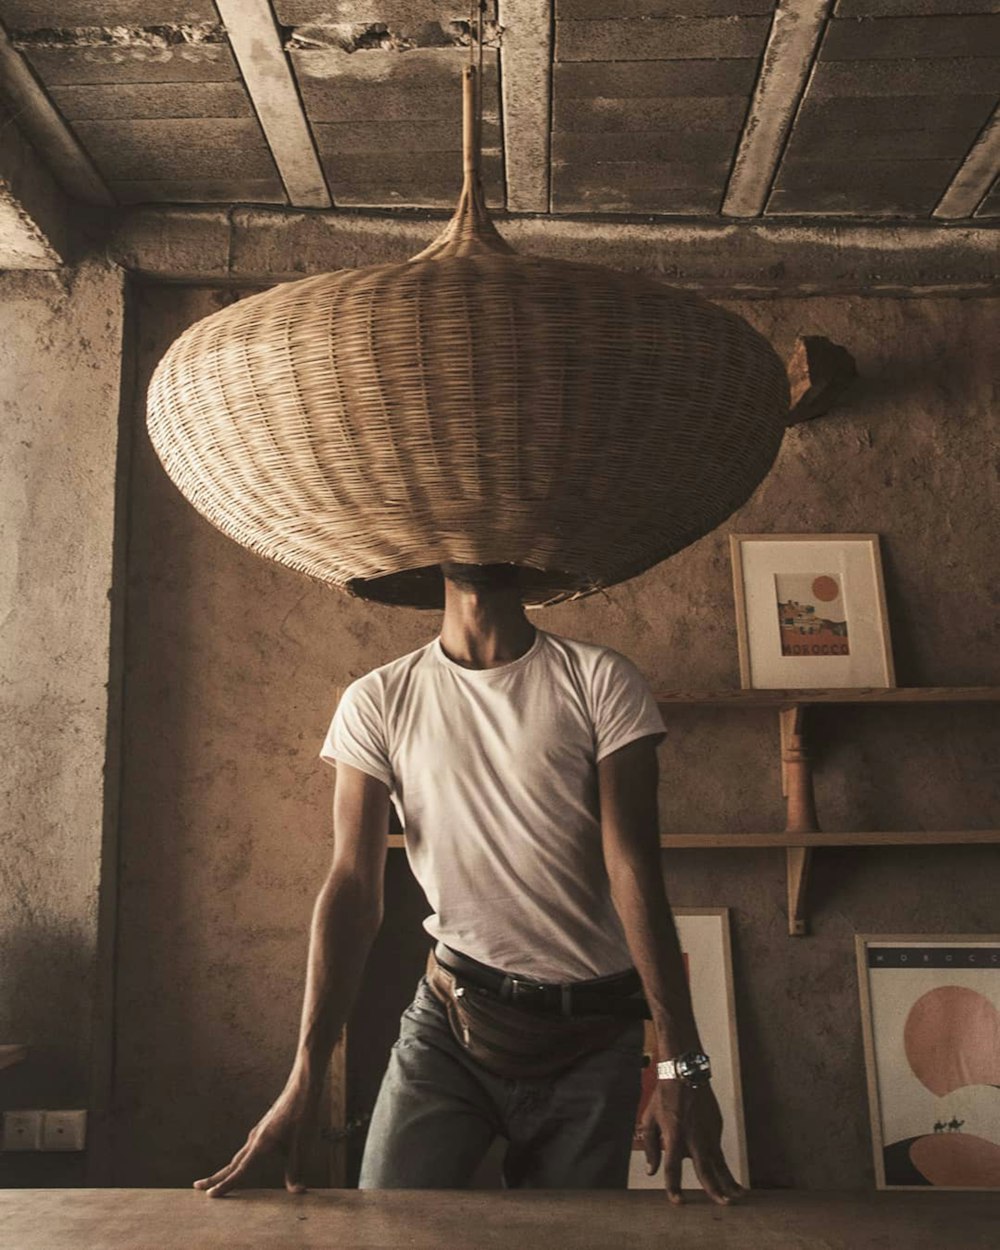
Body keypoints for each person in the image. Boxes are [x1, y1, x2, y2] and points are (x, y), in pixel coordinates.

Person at [194, 563, 744, 1203]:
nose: (478, 543)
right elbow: (352, 888)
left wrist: (684, 1066)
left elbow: (635, 871)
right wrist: (305, 1078)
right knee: (388, 1227)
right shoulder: (378, 699)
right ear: (432, 550)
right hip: (451, 1025)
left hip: (593, 1041)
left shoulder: (601, 680)